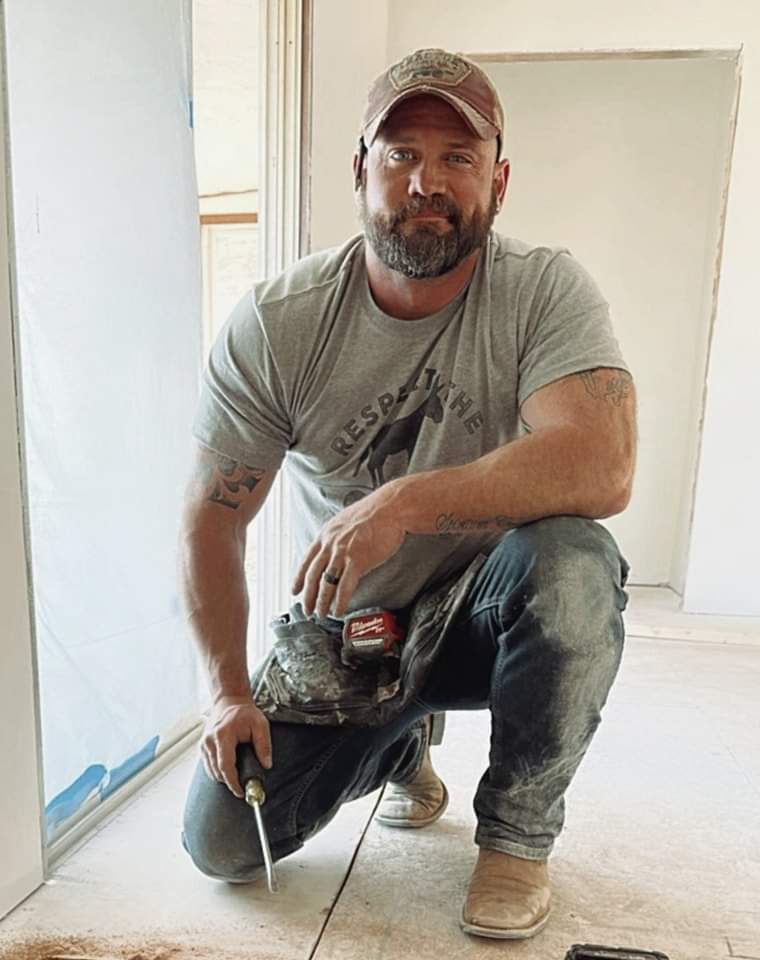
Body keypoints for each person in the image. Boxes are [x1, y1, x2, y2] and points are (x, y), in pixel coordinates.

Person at [180, 47, 636, 941]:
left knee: (575, 561)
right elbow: (211, 516)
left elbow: (602, 465)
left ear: (498, 181)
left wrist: (402, 503)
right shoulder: (280, 322)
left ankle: (516, 838)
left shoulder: (544, 290)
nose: (426, 181)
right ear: (361, 169)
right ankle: (396, 745)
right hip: (351, 632)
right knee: (226, 843)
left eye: (458, 158)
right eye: (400, 154)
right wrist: (227, 690)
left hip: (489, 612)